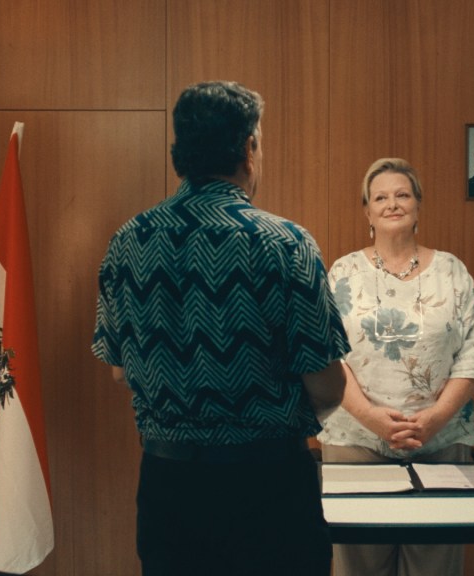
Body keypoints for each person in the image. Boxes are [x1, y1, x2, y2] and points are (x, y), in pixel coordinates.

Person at [92, 81, 350, 576]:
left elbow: (120, 372)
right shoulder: (286, 243)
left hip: (169, 486)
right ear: (249, 148)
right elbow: (327, 383)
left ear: (180, 152)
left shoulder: (129, 240)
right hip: (269, 488)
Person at [320, 158, 474, 576]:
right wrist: (371, 418)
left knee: (434, 566)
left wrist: (435, 418)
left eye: (402, 194)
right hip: (356, 442)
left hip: (441, 442)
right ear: (367, 211)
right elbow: (327, 355)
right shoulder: (343, 271)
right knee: (359, 566)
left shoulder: (452, 271)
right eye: (380, 197)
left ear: (419, 205)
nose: (392, 204)